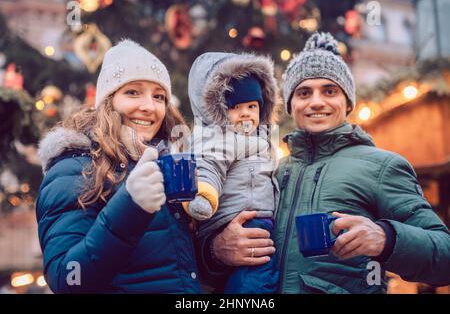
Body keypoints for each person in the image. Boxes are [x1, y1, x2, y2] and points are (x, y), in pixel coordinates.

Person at [208, 32, 450, 293]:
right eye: (303, 92)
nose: (316, 102)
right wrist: (215, 251)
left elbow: (444, 256)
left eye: (329, 91)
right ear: (290, 105)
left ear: (347, 103)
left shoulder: (382, 167)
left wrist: (386, 238)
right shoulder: (270, 171)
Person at [36, 39, 201, 293]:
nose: (149, 106)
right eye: (133, 92)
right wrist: (131, 206)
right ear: (108, 101)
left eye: (159, 96)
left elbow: (176, 265)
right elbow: (67, 279)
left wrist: (216, 247)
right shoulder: (73, 169)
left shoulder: (169, 162)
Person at [186, 52, 280, 293]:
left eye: (252, 106)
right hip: (241, 221)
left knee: (246, 278)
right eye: (235, 107)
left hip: (257, 220)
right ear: (217, 110)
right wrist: (204, 193)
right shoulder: (221, 138)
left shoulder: (262, 141)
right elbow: (209, 166)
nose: (246, 113)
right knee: (255, 280)